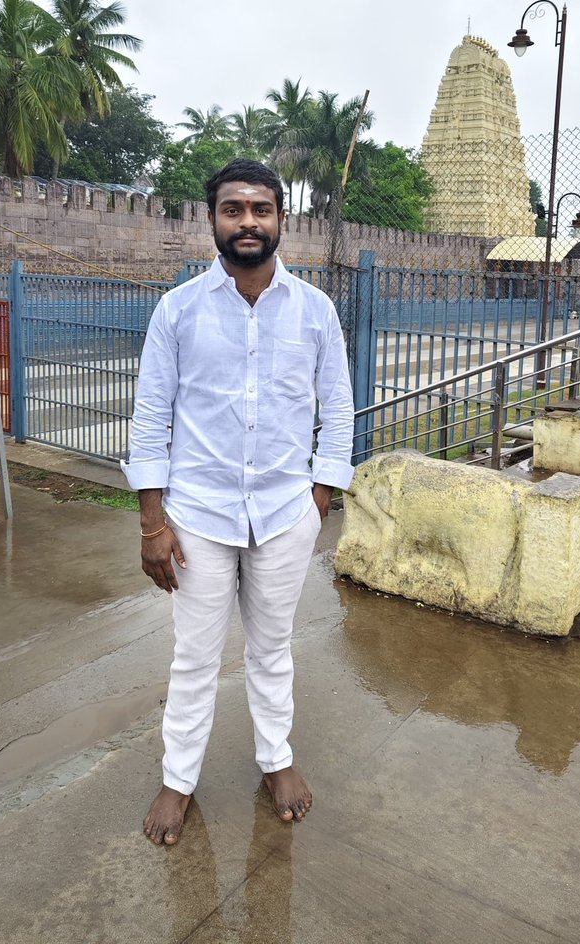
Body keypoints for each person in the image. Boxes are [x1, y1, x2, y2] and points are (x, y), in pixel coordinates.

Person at [122, 158, 355, 845]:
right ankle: (178, 778)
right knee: (194, 656)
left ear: (281, 219)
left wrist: (318, 496)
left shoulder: (314, 310)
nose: (247, 222)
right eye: (233, 209)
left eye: (260, 209)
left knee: (272, 647)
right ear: (213, 220)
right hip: (198, 516)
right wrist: (151, 522)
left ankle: (276, 759)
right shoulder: (180, 309)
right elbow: (149, 416)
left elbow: (337, 408)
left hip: (285, 513)